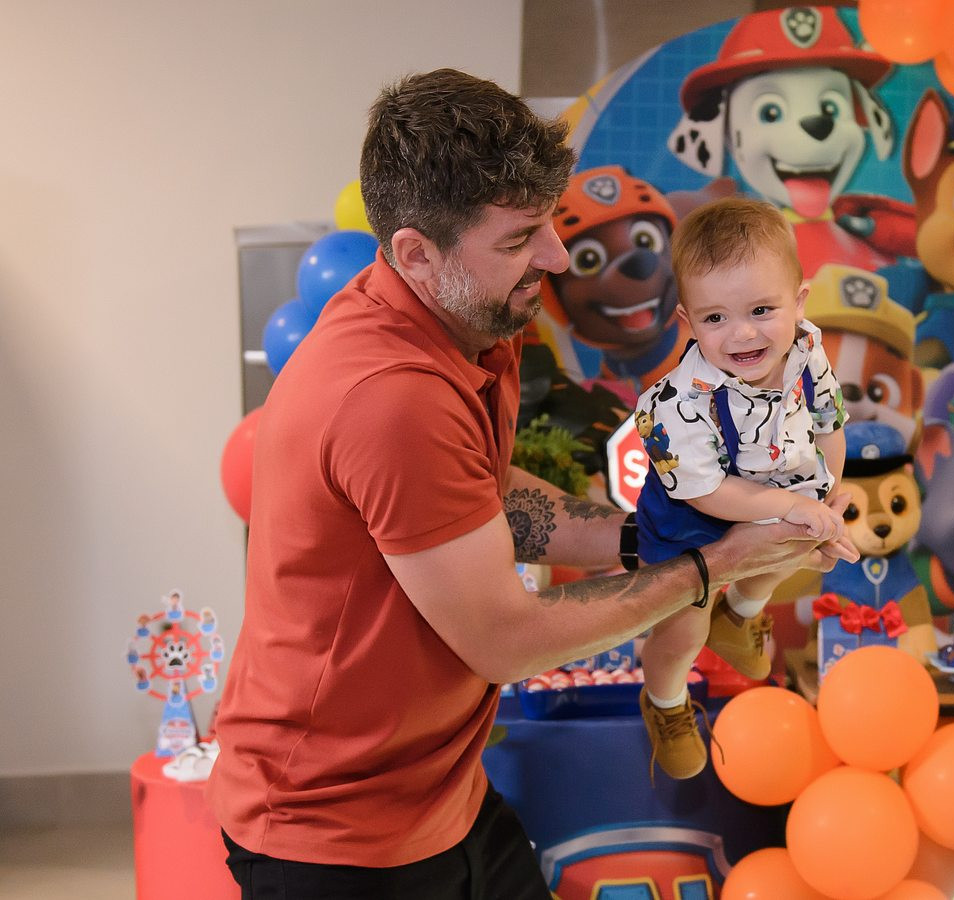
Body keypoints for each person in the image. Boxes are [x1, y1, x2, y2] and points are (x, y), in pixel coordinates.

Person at [206, 69, 842, 900]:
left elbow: (474, 485)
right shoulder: (386, 396)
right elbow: (505, 640)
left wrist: (651, 535)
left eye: (548, 223)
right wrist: (710, 566)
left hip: (445, 794)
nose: (555, 256)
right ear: (416, 254)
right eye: (518, 240)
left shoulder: (466, 318)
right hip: (332, 832)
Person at [633, 197, 861, 780]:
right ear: (687, 320)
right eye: (715, 318)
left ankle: (740, 614)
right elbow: (708, 494)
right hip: (692, 513)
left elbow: (829, 423)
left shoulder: (806, 349)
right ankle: (664, 700)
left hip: (775, 482)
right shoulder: (676, 403)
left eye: (762, 309)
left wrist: (825, 499)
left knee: (795, 545)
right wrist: (793, 505)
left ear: (798, 302)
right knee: (683, 628)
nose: (742, 333)